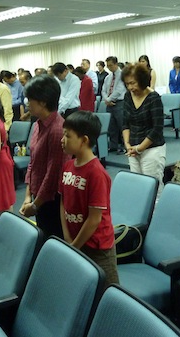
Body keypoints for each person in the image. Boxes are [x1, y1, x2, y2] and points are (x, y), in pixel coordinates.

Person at [59, 111, 118, 288]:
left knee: (108, 293)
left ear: (84, 140)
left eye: (67, 136)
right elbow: (63, 203)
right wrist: (68, 238)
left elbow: (94, 219)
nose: (62, 140)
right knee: (82, 289)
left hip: (98, 248)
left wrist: (74, 245)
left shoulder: (96, 173)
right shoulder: (68, 165)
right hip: (76, 241)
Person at [20, 75, 70, 239]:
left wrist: (35, 205)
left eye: (30, 99)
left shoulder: (57, 129)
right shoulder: (37, 124)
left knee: (53, 239)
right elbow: (33, 161)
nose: (27, 103)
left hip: (50, 200)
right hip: (38, 196)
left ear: (42, 101)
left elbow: (53, 174)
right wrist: (28, 196)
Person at [122, 64, 166, 197]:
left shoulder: (154, 98)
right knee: (138, 187)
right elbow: (125, 123)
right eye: (127, 84)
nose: (130, 87)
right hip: (133, 150)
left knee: (154, 190)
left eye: (133, 83)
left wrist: (140, 148)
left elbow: (157, 128)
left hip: (152, 149)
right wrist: (128, 145)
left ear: (142, 80)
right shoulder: (128, 96)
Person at [101, 56, 127, 152]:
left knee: (122, 125)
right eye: (108, 66)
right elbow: (103, 90)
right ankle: (113, 146)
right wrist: (107, 100)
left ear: (116, 64)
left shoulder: (122, 75)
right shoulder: (108, 77)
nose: (109, 68)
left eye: (111, 65)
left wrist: (109, 99)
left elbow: (119, 90)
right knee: (111, 126)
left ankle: (126, 145)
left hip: (119, 102)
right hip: (109, 103)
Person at [168, 56, 180, 130]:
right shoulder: (171, 72)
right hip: (174, 94)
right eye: (174, 62)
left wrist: (178, 91)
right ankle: (176, 126)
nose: (175, 64)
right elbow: (170, 83)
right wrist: (173, 91)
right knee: (175, 110)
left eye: (177, 62)